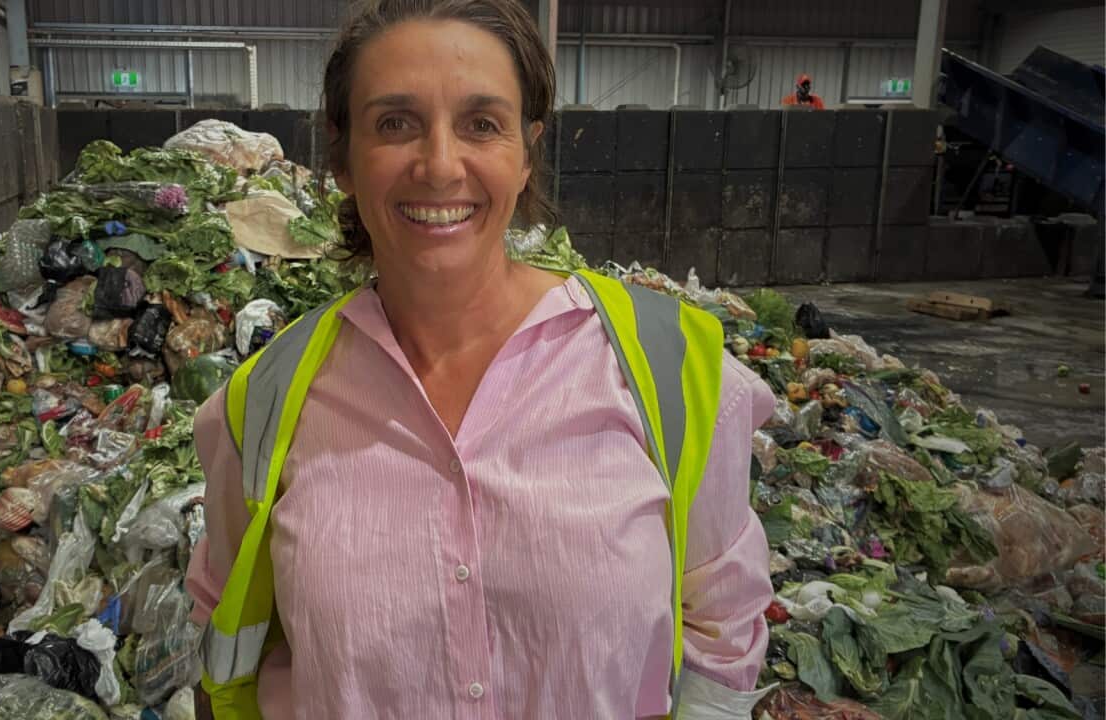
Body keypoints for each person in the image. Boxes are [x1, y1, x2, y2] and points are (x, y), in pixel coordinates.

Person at [184, 1, 775, 718]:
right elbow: (226, 643)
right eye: (395, 123)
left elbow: (721, 626)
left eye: (482, 124)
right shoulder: (262, 405)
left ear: (527, 152)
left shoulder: (669, 369)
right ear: (341, 157)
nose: (439, 164)